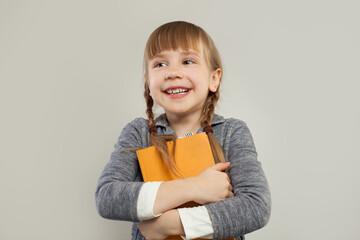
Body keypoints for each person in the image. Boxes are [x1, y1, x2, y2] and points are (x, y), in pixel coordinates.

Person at [95, 21, 271, 240]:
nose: (173, 72)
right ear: (148, 82)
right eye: (160, 64)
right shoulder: (139, 132)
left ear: (214, 79)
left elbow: (256, 206)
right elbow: (107, 197)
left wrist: (172, 224)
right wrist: (194, 187)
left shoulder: (231, 132)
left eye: (188, 61)